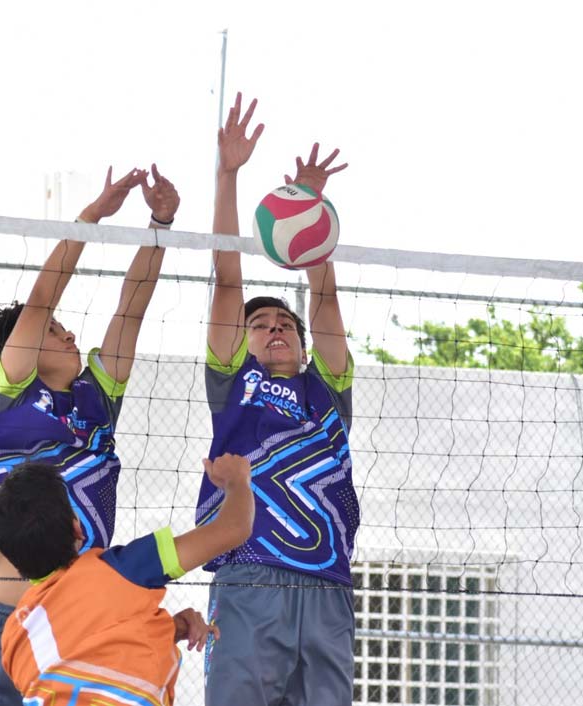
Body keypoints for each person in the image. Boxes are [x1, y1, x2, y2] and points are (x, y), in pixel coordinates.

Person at [0, 164, 180, 706]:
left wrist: (160, 224)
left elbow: (131, 309)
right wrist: (92, 216)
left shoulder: (98, 398)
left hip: (81, 618)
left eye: (62, 327)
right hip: (12, 617)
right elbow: (42, 298)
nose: (68, 332)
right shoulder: (12, 394)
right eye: (52, 330)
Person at [199, 92, 358, 705]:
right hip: (250, 571)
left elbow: (325, 301)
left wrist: (310, 210)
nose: (275, 329)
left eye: (285, 324)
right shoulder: (233, 382)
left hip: (326, 583)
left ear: (301, 340)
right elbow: (227, 279)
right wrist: (228, 174)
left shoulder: (327, 389)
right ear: (243, 341)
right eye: (261, 324)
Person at [0, 454, 255, 706]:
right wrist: (237, 481)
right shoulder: (123, 569)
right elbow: (234, 528)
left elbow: (85, 655)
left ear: (13, 559)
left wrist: (169, 629)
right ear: (77, 529)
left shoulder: (14, 638)